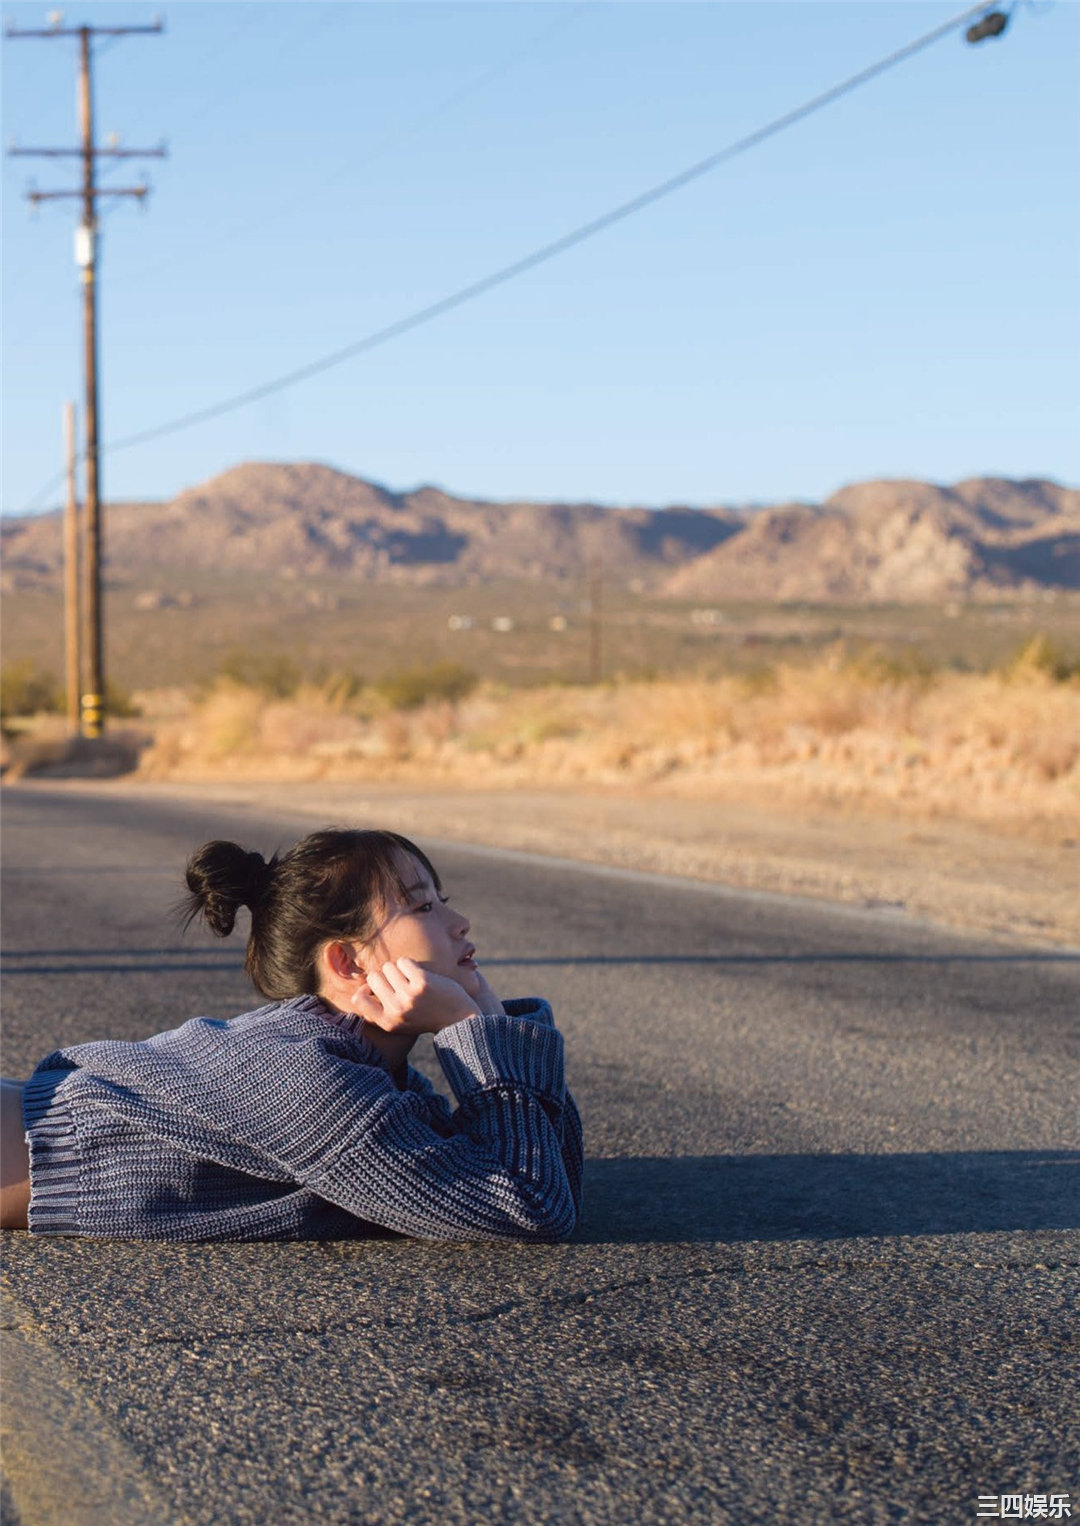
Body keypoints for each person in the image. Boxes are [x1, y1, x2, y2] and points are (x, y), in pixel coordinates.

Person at [0, 828, 583, 1242]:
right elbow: (529, 1205)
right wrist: (467, 1028)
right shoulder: (307, 1079)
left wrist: (494, 1022)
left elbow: (550, 1172)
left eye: (442, 902)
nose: (460, 923)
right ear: (349, 966)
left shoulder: (375, 1075)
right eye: (423, 906)